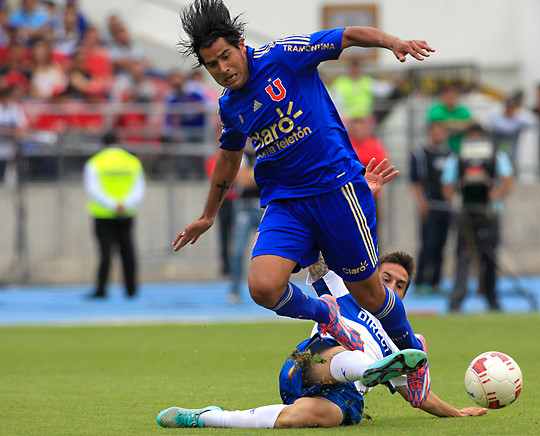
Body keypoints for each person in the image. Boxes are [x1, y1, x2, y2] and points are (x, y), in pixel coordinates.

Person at [172, 0, 435, 407]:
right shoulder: (230, 106)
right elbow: (229, 158)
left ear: (241, 45)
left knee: (366, 293)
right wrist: (208, 215)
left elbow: (347, 36)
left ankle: (411, 358)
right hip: (286, 204)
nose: (222, 69)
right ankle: (327, 317)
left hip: (337, 191)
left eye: (225, 56)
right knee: (262, 287)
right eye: (212, 65)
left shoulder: (285, 56)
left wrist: (392, 42)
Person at [157, 251, 487, 429]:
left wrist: (457, 413)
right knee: (347, 349)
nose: (391, 286)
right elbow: (317, 248)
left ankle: (206, 417)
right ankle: (365, 366)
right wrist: (360, 199)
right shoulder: (344, 287)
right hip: (312, 363)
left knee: (304, 419)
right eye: (384, 277)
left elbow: (417, 396)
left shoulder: (403, 338)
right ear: (370, 274)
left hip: (345, 396)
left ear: (405, 293)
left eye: (399, 284)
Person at [441, 124, 515, 312]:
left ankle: (492, 298)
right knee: (463, 256)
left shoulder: (496, 156)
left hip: (490, 213)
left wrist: (494, 195)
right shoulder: (457, 158)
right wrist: (456, 201)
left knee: (489, 256)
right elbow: (447, 185)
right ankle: (457, 299)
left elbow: (508, 181)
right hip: (466, 214)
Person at [83, 131, 146, 299]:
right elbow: (139, 188)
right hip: (126, 212)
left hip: (103, 214)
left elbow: (93, 189)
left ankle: (101, 289)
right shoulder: (132, 161)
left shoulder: (95, 162)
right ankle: (131, 289)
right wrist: (124, 204)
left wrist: (112, 205)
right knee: (128, 252)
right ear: (119, 140)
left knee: (105, 254)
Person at [409, 120, 451, 295]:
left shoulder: (450, 155)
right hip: (429, 206)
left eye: (441, 131)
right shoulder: (420, 154)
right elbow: (415, 182)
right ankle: (419, 282)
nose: (438, 134)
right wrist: (421, 203)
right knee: (428, 245)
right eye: (435, 131)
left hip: (446, 207)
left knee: (441, 246)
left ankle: (436, 282)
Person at [227, 146, 262, 304]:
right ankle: (235, 289)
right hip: (245, 207)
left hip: (266, 208)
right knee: (237, 251)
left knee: (273, 250)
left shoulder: (269, 149)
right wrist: (267, 174)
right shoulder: (243, 154)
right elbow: (244, 181)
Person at [426, 84, 473, 153]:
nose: (451, 97)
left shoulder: (463, 110)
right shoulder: (435, 109)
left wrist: (448, 124)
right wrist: (462, 125)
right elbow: (437, 126)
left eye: (454, 94)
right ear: (443, 96)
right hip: (440, 150)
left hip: (460, 149)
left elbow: (473, 124)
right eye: (448, 94)